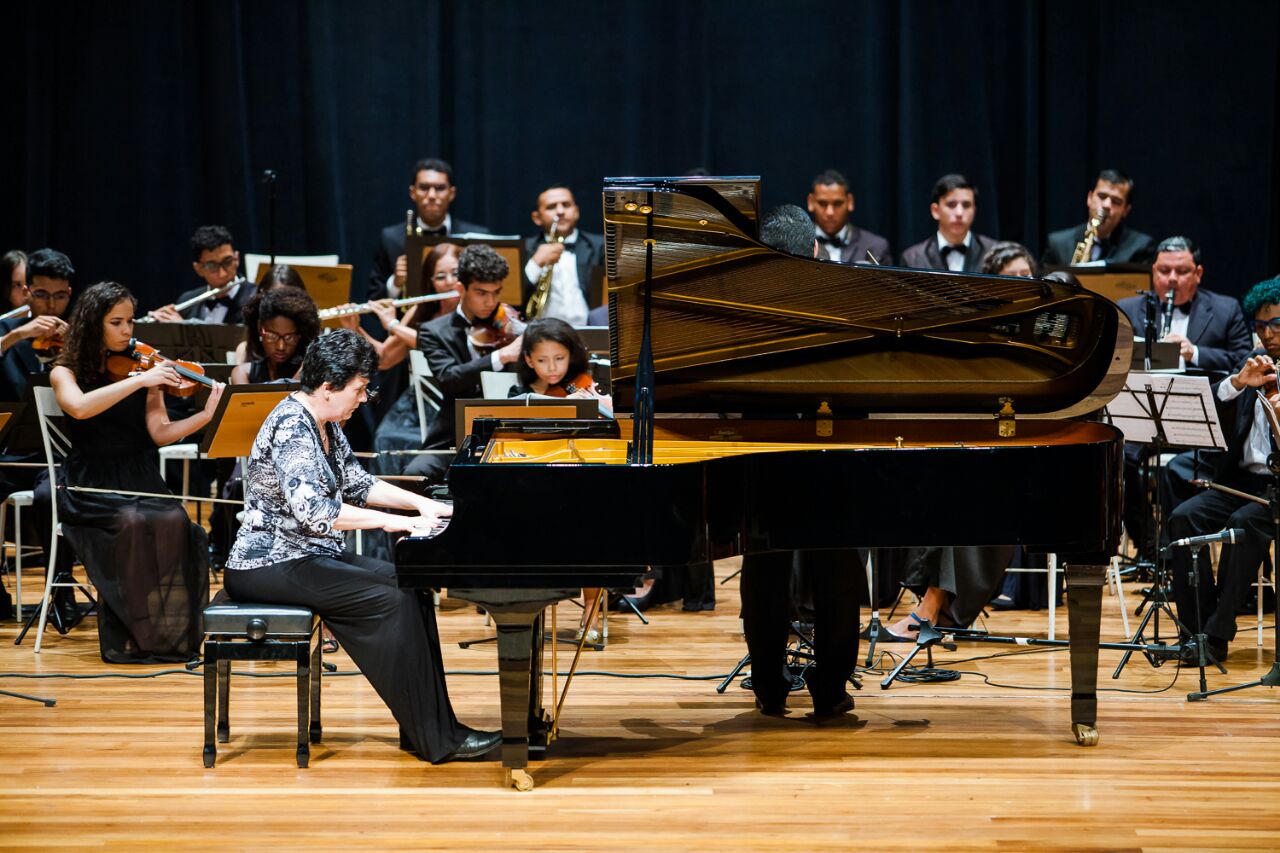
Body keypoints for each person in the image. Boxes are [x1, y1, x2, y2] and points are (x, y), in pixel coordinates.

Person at [223, 328, 500, 763]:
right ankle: (436, 738)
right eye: (359, 388)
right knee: (391, 601)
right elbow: (317, 512)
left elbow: (358, 482)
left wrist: (423, 505)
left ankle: (428, 727)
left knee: (411, 584)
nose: (365, 397)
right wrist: (398, 522)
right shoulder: (293, 425)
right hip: (267, 563)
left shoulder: (324, 421)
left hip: (305, 556)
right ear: (329, 386)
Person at [43, 281, 222, 662]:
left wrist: (206, 416)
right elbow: (78, 408)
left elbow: (159, 433)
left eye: (130, 322)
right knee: (131, 523)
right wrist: (140, 380)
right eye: (117, 322)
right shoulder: (65, 371)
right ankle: (136, 629)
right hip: (90, 481)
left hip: (139, 473)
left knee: (177, 522)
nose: (128, 331)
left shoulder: (146, 367)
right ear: (94, 325)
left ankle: (168, 633)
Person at [739, 204, 860, 718]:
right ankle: (830, 690)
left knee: (764, 572)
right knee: (836, 574)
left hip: (760, 455)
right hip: (831, 454)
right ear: (813, 250)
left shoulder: (739, 307)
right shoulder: (845, 301)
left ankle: (768, 685)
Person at [1163, 276, 1280, 662]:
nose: (1267, 334)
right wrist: (1237, 382)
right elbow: (1212, 406)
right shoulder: (1251, 363)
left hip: (1276, 488)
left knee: (1243, 525)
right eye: (1260, 326)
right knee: (1183, 519)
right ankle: (1196, 629)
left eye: (1275, 324)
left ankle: (1216, 635)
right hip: (1242, 480)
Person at [1116, 237, 1253, 558]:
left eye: (1182, 271)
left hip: (1202, 423)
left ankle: (1178, 553)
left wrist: (1195, 353)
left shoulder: (1224, 308)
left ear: (1198, 273)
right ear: (1153, 272)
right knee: (1116, 461)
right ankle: (1151, 547)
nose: (1172, 279)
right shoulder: (1128, 308)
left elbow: (1242, 361)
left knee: (1177, 471)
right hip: (1146, 417)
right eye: (1164, 271)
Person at [403, 245, 523, 484]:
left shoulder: (510, 325)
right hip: (454, 436)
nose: (491, 302)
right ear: (461, 288)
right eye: (481, 293)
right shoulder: (433, 331)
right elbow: (449, 378)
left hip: (509, 432)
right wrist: (501, 357)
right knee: (413, 476)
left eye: (496, 292)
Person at [368, 158, 490, 302]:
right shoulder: (390, 238)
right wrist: (395, 283)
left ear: (452, 193)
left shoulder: (479, 237)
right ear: (413, 192)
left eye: (440, 188)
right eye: (424, 187)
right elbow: (374, 301)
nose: (431, 195)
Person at [521, 185, 606, 325]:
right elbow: (510, 298)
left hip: (590, 332)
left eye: (566, 205)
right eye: (551, 207)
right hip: (540, 334)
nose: (560, 211)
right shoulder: (524, 249)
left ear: (576, 211)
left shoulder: (601, 247)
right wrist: (535, 263)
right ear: (537, 218)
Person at [0, 248, 74, 401]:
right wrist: (18, 335)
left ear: (69, 293)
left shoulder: (77, 335)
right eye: (41, 294)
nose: (51, 305)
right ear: (27, 292)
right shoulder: (6, 328)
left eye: (60, 296)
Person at [1042, 169, 1155, 266]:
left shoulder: (1141, 247)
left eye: (1116, 201)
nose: (1106, 205)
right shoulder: (1057, 244)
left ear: (1126, 210)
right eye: (1102, 196)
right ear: (1089, 198)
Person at [148, 225, 255, 325]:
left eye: (227, 261)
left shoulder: (256, 299)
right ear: (198, 269)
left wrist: (185, 329)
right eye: (212, 266)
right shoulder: (186, 300)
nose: (222, 273)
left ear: (237, 259)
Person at [900, 174, 998, 272]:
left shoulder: (994, 253)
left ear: (974, 211)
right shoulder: (912, 258)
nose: (959, 213)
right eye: (951, 205)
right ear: (935, 211)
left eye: (966, 205)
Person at [230, 286, 321, 384]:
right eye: (272, 336)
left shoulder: (311, 371)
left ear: (300, 335)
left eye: (289, 337)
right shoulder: (242, 373)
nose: (280, 347)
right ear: (260, 328)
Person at [806, 169, 892, 266]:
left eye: (838, 203)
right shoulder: (796, 245)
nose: (830, 212)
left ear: (850, 202)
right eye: (822, 203)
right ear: (810, 202)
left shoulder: (876, 246)